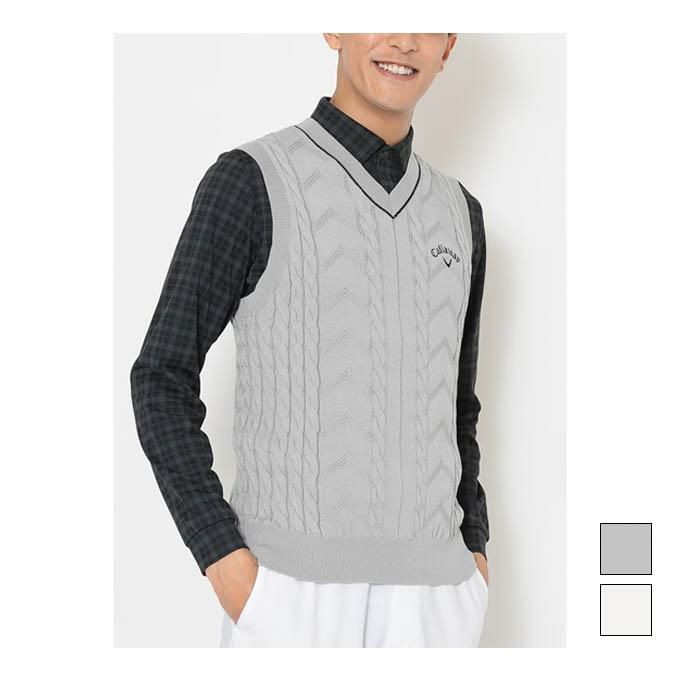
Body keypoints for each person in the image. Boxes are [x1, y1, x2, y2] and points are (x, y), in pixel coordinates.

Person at [130, 32, 490, 647]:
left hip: (438, 602)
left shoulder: (461, 213)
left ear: (449, 45)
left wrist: (474, 553)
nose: (404, 39)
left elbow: (457, 407)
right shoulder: (251, 181)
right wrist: (223, 558)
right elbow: (161, 376)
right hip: (289, 595)